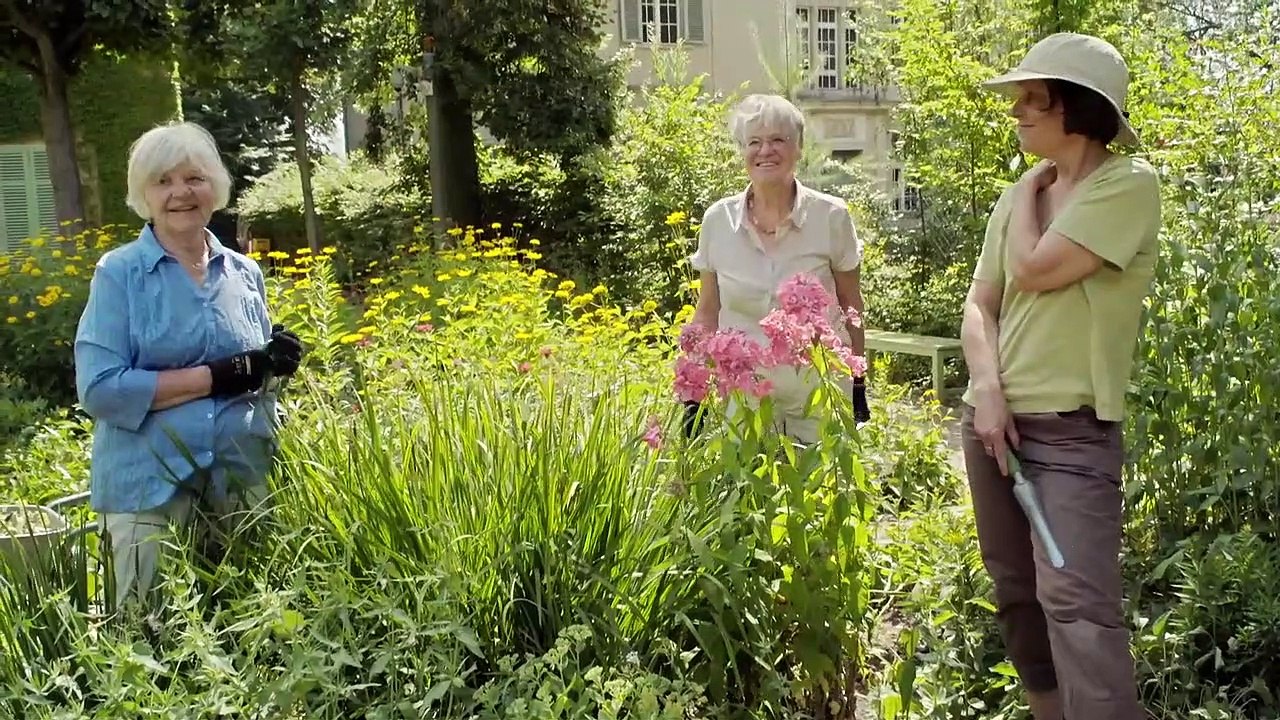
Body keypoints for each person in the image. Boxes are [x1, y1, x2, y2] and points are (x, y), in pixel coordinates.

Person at [958, 33, 1161, 720]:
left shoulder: (1126, 185)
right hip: (991, 426)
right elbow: (980, 305)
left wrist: (1023, 193)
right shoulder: (1021, 194)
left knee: (1077, 607)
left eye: (1031, 99)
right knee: (1016, 590)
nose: (1016, 112)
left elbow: (1035, 270)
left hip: (1070, 435)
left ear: (1076, 108)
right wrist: (986, 391)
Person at [74, 122, 304, 612]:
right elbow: (100, 389)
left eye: (194, 178)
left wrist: (274, 365)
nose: (181, 192)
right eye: (163, 181)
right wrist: (215, 377)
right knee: (150, 631)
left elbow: (255, 379)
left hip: (243, 479)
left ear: (214, 188)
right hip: (149, 487)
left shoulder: (244, 273)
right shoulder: (119, 274)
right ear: (144, 195)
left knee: (256, 622)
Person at [686, 93, 869, 444]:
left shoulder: (831, 217)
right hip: (743, 400)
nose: (765, 150)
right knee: (746, 494)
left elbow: (850, 305)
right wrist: (694, 394)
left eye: (777, 140)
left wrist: (858, 382)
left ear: (798, 148)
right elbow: (708, 312)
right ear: (743, 152)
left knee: (821, 492)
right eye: (754, 142)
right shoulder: (717, 221)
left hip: (817, 395)